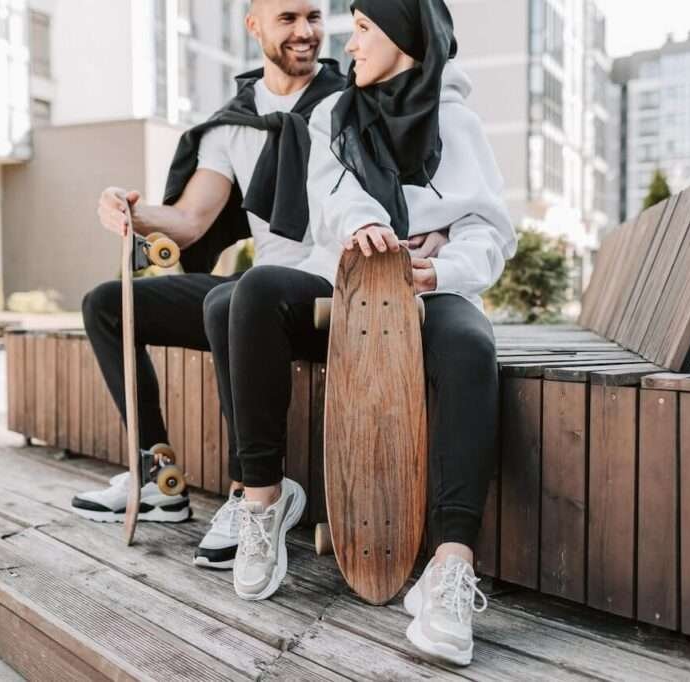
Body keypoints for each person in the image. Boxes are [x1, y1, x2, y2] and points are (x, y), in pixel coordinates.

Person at [220, 0, 516, 666]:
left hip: (429, 289)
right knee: (258, 291)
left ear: (406, 38)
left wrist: (437, 267)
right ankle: (263, 504)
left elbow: (489, 231)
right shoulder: (334, 115)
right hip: (349, 287)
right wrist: (362, 227)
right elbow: (331, 202)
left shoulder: (457, 122)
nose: (348, 45)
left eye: (362, 30)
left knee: (471, 346)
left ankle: (449, 569)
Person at [70, 0, 349, 571]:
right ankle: (157, 475)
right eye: (288, 19)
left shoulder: (350, 105)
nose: (305, 32)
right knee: (106, 304)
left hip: (332, 290)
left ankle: (249, 492)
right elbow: (192, 220)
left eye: (314, 17)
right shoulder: (232, 124)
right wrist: (131, 209)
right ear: (254, 26)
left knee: (236, 293)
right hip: (257, 294)